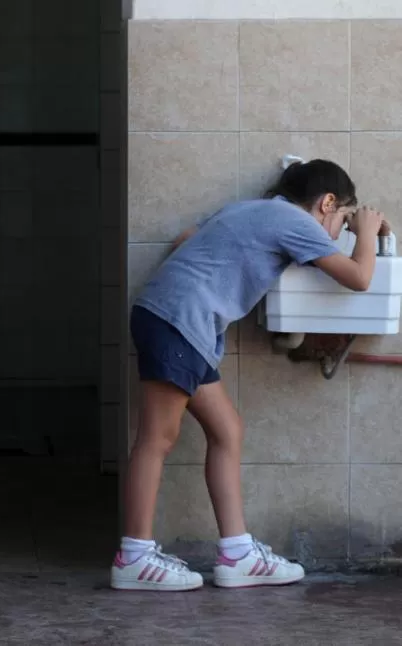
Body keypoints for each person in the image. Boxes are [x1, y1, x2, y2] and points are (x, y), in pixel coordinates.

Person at [111, 159, 386, 591]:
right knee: (157, 437)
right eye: (343, 220)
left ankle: (238, 553)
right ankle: (134, 556)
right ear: (327, 203)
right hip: (179, 321)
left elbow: (185, 239)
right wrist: (368, 232)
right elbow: (359, 277)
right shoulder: (293, 219)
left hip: (180, 322)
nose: (341, 232)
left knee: (227, 430)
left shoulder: (249, 210)